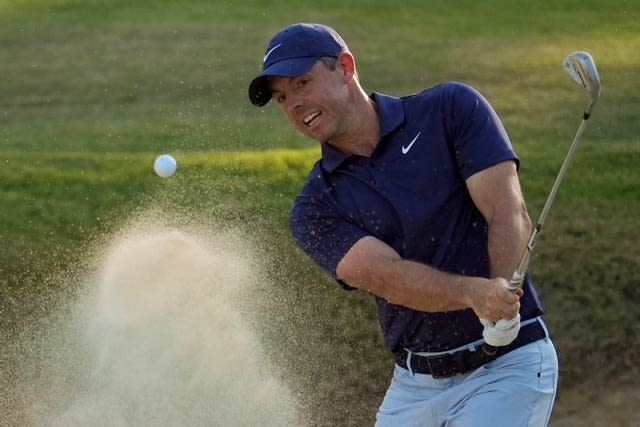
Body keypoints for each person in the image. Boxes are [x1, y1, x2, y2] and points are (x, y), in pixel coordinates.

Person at [248, 23, 558, 426]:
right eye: (281, 97)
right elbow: (387, 276)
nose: (293, 104)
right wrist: (476, 294)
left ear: (345, 67)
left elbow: (506, 209)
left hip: (508, 365)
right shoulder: (315, 207)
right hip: (416, 386)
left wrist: (501, 297)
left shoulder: (450, 110)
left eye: (302, 83)